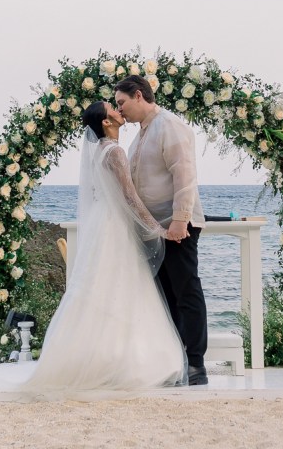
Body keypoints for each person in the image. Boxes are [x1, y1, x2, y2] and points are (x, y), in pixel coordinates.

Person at [15, 101, 187, 401]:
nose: (120, 112)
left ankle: (101, 357)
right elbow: (130, 197)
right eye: (114, 109)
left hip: (102, 224)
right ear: (106, 123)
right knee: (123, 289)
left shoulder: (99, 153)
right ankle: (123, 363)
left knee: (102, 291)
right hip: (114, 227)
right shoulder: (115, 151)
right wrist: (156, 227)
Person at [114, 76, 209, 385]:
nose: (120, 110)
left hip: (176, 226)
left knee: (186, 292)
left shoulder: (169, 125)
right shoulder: (139, 135)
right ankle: (174, 360)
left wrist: (180, 219)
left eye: (122, 103)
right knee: (165, 296)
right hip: (154, 230)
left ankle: (196, 364)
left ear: (139, 95)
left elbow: (185, 173)